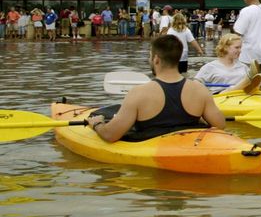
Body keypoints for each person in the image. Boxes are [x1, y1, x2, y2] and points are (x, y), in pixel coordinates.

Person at [85, 35, 225, 142]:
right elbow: (220, 125)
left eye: (150, 56)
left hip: (152, 150)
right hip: (188, 146)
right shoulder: (199, 89)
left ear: (156, 59)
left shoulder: (138, 93)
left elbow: (110, 135)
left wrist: (97, 124)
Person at [194, 33, 261, 93]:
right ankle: (246, 81)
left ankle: (247, 83)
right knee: (230, 90)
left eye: (240, 48)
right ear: (225, 47)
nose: (240, 51)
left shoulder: (243, 67)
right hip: (220, 96)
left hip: (241, 97)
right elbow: (195, 85)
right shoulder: (210, 67)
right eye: (237, 47)